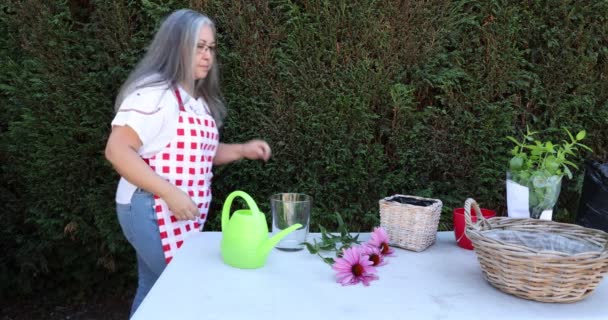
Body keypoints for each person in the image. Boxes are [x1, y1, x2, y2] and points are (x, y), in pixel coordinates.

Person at [104, 9, 271, 316]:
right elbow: (117, 151)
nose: (207, 55)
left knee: (154, 288)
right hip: (150, 209)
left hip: (174, 213)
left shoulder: (195, 101)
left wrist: (242, 150)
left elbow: (200, 153)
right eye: (198, 46)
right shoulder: (153, 95)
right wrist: (169, 193)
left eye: (210, 48)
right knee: (185, 290)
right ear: (175, 46)